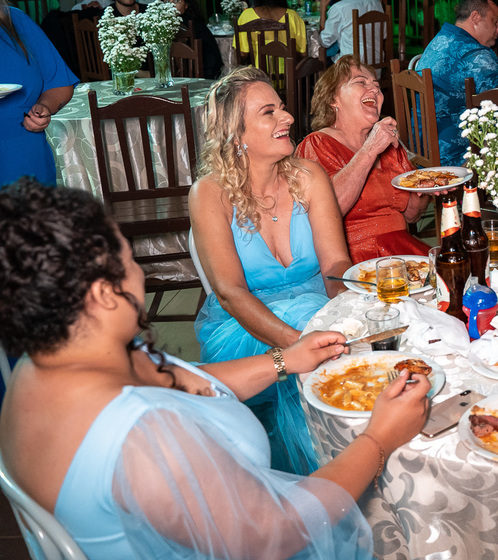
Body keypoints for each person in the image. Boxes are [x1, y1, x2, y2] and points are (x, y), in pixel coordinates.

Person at [0, 179, 432, 560]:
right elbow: (270, 536)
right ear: (104, 294)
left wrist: (283, 360)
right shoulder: (144, 438)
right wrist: (378, 438)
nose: (140, 272)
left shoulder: (48, 362)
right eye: (130, 258)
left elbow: (182, 379)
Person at [190, 67, 352, 475]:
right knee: (311, 352)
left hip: (315, 309)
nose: (288, 118)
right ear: (235, 135)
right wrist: (299, 345)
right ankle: (324, 482)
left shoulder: (310, 176)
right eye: (269, 112)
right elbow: (229, 292)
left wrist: (350, 311)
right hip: (242, 326)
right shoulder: (209, 193)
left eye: (281, 107)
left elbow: (335, 264)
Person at [296, 56, 430, 263]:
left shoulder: (389, 144)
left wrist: (424, 190)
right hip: (356, 258)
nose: (375, 90)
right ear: (333, 99)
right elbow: (331, 210)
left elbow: (412, 216)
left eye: (376, 85)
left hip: (401, 247)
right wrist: (370, 149)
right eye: (360, 82)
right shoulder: (317, 145)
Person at [415, 0, 498, 165]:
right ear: (475, 17)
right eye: (495, 21)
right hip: (452, 156)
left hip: (421, 148)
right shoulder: (476, 54)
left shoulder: (440, 39)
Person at [0, 0, 78, 186]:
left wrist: (43, 106)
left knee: (32, 214)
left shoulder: (15, 20)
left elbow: (59, 83)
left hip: (24, 153)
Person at [318, 0, 385, 62]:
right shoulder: (375, 1)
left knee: (328, 59)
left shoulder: (339, 8)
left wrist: (323, 8)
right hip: (376, 66)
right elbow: (384, 34)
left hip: (352, 69)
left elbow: (324, 42)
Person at [236, 0, 307, 62]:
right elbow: (303, 53)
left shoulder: (246, 15)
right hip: (287, 73)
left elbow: (242, 53)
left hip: (257, 73)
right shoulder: (292, 16)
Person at [161, 0, 222, 79]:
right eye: (167, 1)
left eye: (176, 1)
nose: (171, 5)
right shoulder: (162, 26)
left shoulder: (191, 25)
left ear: (186, 5)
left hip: (204, 74)